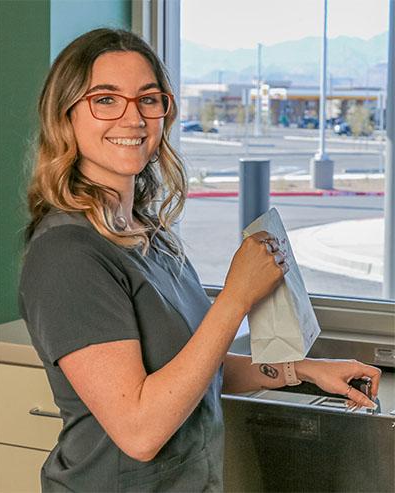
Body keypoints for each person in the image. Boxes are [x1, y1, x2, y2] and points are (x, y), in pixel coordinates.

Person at [19, 28, 381, 493]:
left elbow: (194, 368)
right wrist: (236, 297)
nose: (133, 118)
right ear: (64, 117)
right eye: (105, 100)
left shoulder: (148, 236)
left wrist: (301, 371)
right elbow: (140, 431)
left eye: (148, 99)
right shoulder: (68, 255)